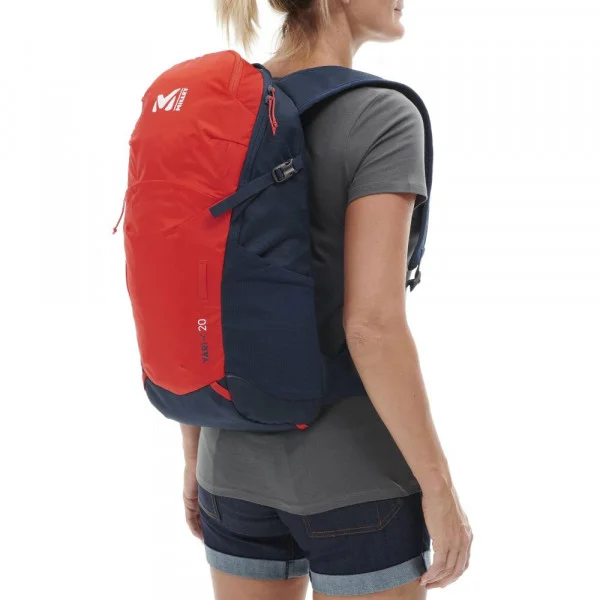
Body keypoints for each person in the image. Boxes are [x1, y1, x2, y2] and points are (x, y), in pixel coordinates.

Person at [180, 1, 473, 598]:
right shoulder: (381, 115)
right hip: (356, 478)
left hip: (227, 466)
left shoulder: (216, 109)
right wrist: (439, 487)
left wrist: (193, 455)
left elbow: (192, 302)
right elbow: (371, 326)